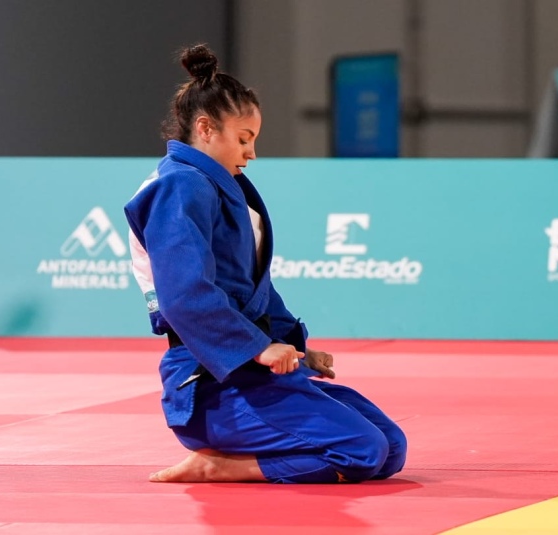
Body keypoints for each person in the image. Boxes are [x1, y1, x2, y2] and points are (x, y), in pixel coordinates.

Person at [124, 44, 407, 484]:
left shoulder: (221, 187)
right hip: (209, 383)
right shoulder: (178, 186)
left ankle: (234, 458)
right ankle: (222, 467)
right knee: (362, 450)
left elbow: (255, 292)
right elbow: (184, 295)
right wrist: (257, 347)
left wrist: (292, 346)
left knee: (390, 448)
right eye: (243, 138)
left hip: (249, 375)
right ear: (205, 128)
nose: (252, 152)